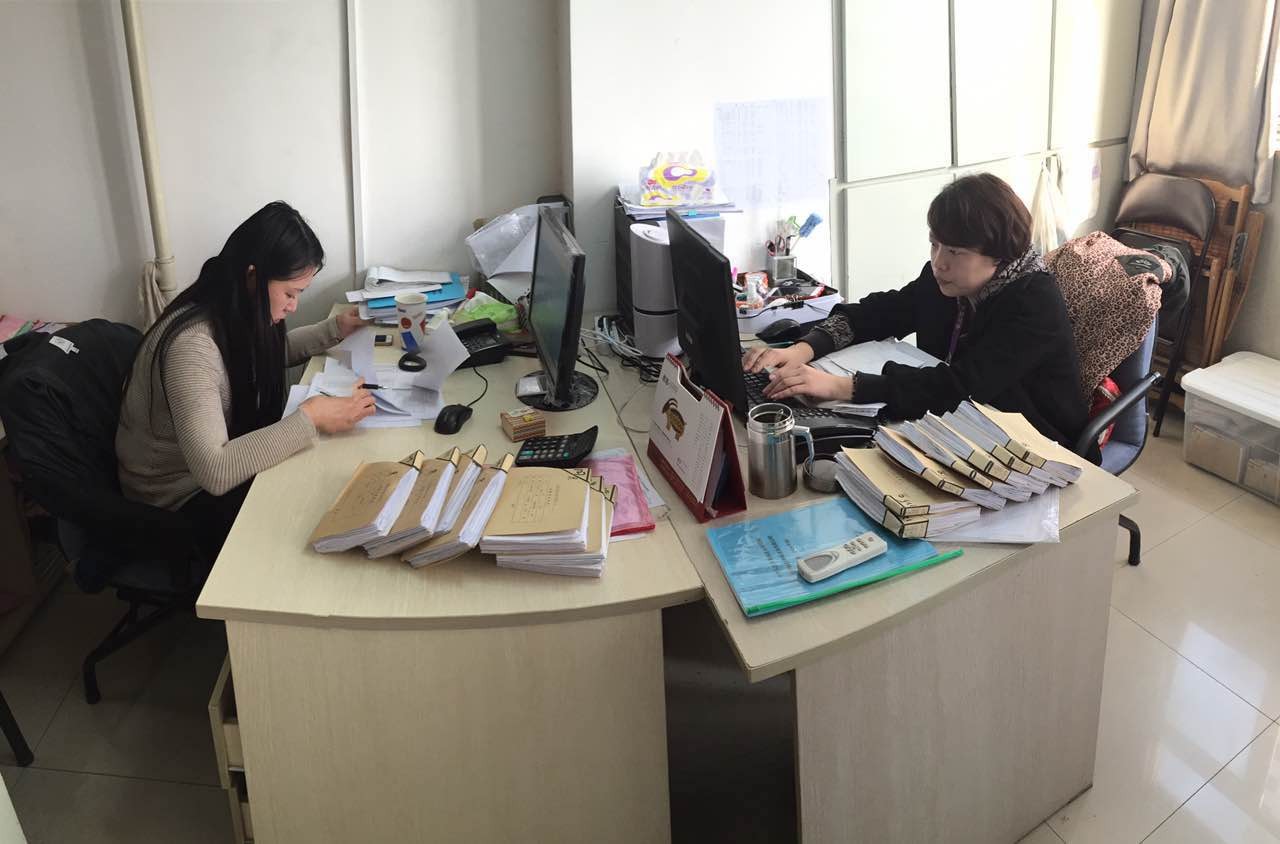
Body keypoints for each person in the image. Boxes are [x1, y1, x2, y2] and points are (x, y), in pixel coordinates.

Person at [744, 173, 1088, 449]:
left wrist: (842, 387)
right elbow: (881, 312)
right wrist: (802, 350)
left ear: (999, 254)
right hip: (954, 423)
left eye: (955, 252)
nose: (939, 262)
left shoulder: (1033, 304)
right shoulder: (948, 280)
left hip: (1036, 442)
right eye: (934, 245)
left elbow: (962, 385)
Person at [117, 201, 376, 559]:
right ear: (253, 276)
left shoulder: (229, 307)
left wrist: (336, 328)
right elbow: (215, 470)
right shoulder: (193, 347)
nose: (293, 306)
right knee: (306, 516)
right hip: (173, 501)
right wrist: (311, 418)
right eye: (290, 293)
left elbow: (266, 355)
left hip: (202, 477)